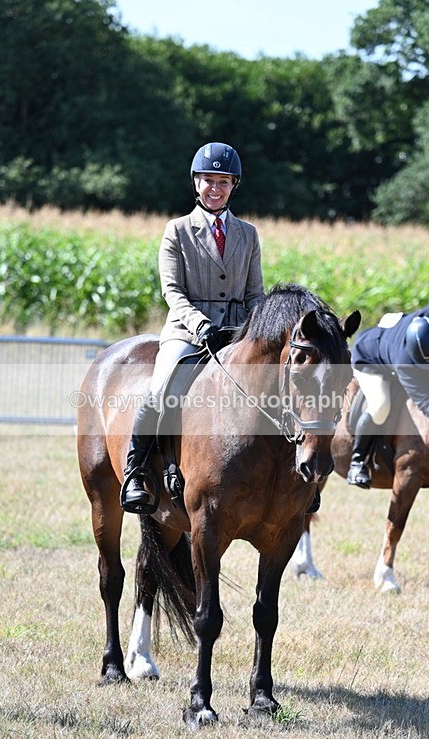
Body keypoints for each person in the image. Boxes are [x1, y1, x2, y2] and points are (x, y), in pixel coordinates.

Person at [121, 142, 264, 508]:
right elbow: (172, 290)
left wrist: (255, 329)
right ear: (195, 182)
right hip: (187, 331)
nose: (214, 188)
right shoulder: (177, 230)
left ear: (234, 185)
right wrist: (199, 324)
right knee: (160, 389)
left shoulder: (248, 234)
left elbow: (254, 293)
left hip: (237, 332)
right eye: (207, 180)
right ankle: (136, 473)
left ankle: (293, 479)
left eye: (222, 181)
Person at [347, 300, 429, 489]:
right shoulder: (404, 364)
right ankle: (357, 462)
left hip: (401, 328)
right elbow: (425, 402)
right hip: (369, 359)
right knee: (380, 405)